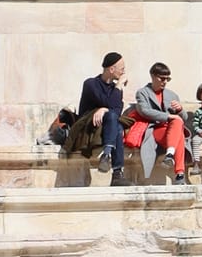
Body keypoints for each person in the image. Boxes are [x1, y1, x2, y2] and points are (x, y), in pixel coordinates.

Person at [123, 61, 189, 182]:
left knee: (179, 127)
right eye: (162, 78)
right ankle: (179, 172)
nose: (165, 82)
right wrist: (169, 116)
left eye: (167, 79)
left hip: (172, 130)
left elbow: (184, 118)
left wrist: (180, 110)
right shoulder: (143, 93)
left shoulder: (171, 94)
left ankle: (170, 156)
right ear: (153, 76)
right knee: (178, 130)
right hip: (154, 129)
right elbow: (145, 111)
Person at [74, 52, 129, 181]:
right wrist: (105, 108)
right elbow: (107, 103)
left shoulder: (115, 88)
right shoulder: (90, 84)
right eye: (122, 69)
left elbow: (117, 110)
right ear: (111, 69)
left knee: (117, 124)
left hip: (109, 126)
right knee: (113, 118)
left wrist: (104, 109)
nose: (124, 73)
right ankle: (116, 170)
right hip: (88, 126)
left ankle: (109, 158)